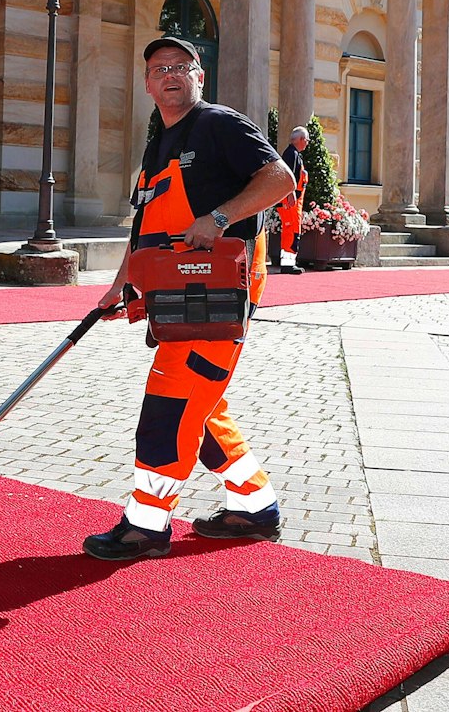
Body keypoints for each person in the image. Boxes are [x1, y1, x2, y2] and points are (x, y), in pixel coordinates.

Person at [84, 37, 296, 561]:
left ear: (200, 76)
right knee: (202, 402)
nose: (170, 75)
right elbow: (145, 227)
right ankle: (255, 506)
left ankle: (146, 525)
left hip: (218, 290)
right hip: (175, 290)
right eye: (159, 69)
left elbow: (280, 179)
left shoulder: (220, 124)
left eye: (181, 66)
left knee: (172, 402)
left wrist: (219, 218)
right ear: (147, 83)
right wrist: (120, 284)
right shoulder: (157, 143)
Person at [276, 126, 309, 274]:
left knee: (291, 230)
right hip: (289, 202)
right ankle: (288, 265)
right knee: (291, 231)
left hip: (293, 202)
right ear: (301, 139)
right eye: (306, 140)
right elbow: (287, 177)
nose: (307, 143)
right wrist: (290, 193)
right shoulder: (291, 154)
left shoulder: (293, 154)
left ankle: (288, 263)